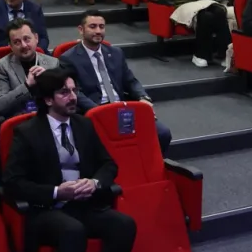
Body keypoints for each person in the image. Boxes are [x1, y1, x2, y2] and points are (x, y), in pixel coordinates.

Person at [2, 68, 134, 252]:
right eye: (64, 92)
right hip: (48, 210)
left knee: (124, 224)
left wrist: (94, 183)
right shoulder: (27, 133)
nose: (73, 97)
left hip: (84, 204)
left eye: (74, 90)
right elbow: (13, 183)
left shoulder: (84, 124)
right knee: (73, 230)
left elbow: (108, 165)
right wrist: (56, 191)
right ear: (48, 100)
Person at [61, 9, 173, 154]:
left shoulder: (115, 53)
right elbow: (75, 92)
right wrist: (100, 112)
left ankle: (149, 165)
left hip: (121, 109)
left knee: (162, 133)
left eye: (101, 26)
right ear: (81, 30)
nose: (98, 31)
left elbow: (131, 81)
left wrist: (143, 97)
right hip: (94, 110)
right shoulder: (68, 58)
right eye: (92, 26)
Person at [0, 18, 62, 123]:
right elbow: (0, 105)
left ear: (36, 38)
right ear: (10, 46)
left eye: (27, 39)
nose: (24, 45)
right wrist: (27, 86)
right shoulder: (1, 66)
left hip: (50, 120)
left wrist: (49, 80)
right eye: (17, 42)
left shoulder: (53, 63)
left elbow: (64, 98)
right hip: (21, 123)